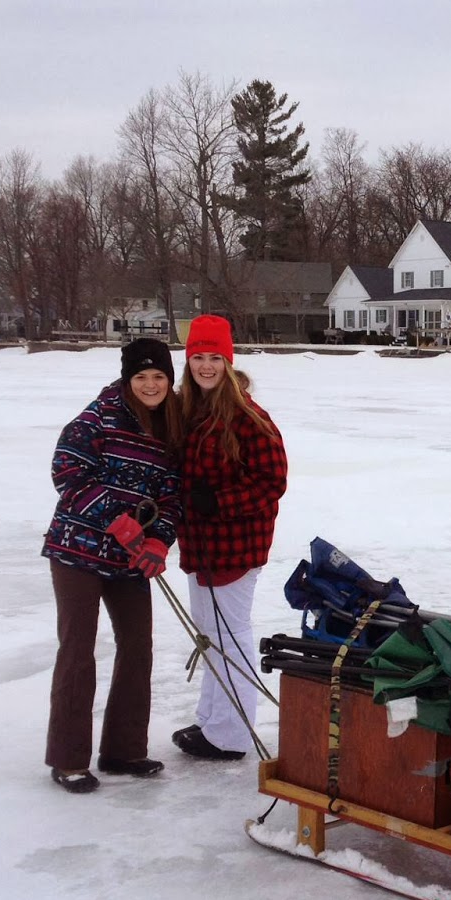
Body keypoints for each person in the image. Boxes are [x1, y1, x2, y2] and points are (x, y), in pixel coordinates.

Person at [41, 339, 183, 792]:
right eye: (141, 377)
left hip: (130, 557)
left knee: (138, 646)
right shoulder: (97, 417)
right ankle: (68, 759)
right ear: (128, 380)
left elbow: (170, 493)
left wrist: (159, 540)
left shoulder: (169, 427)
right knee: (78, 650)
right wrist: (116, 520)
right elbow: (68, 473)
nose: (150, 384)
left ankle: (123, 751)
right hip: (77, 552)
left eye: (158, 376)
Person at [173, 314, 288, 761]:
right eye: (198, 357)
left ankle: (233, 735)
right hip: (200, 546)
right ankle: (213, 721)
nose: (206, 366)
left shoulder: (246, 416)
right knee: (210, 635)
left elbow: (271, 480)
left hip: (234, 547)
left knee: (230, 637)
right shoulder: (188, 408)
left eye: (214, 358)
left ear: (227, 361)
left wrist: (217, 503)